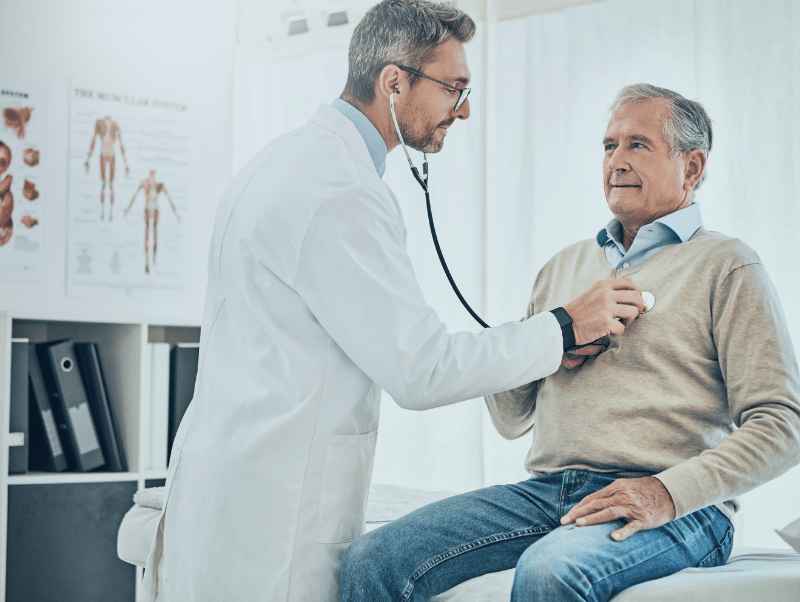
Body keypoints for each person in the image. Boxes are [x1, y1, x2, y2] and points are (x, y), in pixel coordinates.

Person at [137, 3, 646, 601]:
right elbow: (421, 370)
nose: (466, 109)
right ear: (394, 82)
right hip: (277, 514)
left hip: (228, 479)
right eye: (455, 88)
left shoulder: (279, 161)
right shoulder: (342, 191)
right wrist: (561, 328)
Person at [340, 84, 800, 602]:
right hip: (548, 491)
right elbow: (510, 418)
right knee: (371, 559)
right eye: (609, 146)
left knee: (551, 571)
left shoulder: (728, 265)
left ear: (691, 167)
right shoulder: (562, 268)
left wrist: (666, 493)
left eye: (638, 145)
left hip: (676, 503)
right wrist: (548, 344)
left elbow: (782, 425)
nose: (617, 161)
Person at [124, 169, 180, 274]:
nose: (152, 174)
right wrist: (128, 209)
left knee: (154, 235)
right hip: (148, 209)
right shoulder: (144, 183)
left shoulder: (159, 185)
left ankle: (153, 259)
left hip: (154, 210)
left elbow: (169, 199)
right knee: (147, 235)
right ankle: (147, 261)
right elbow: (135, 196)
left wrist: (176, 213)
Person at [84, 115, 129, 221]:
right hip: (103, 155)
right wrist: (88, 159)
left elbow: (121, 144)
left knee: (110, 185)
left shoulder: (115, 125)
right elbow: (94, 140)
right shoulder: (100, 123)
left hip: (110, 155)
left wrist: (126, 163)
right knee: (104, 184)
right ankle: (103, 213)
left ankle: (110, 214)